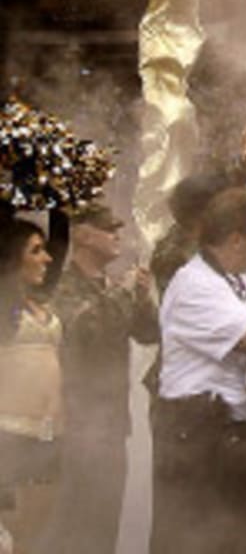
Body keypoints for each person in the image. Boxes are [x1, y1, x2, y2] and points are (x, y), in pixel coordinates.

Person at [151, 187, 246, 553]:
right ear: (236, 240)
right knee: (197, 542)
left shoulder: (243, 281)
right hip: (200, 439)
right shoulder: (195, 284)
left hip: (243, 437)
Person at [39, 202, 159, 554]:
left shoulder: (111, 286)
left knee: (106, 527)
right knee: (74, 528)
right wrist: (123, 292)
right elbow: (88, 331)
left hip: (112, 426)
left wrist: (142, 297)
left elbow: (149, 333)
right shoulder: (62, 288)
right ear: (83, 235)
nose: (117, 237)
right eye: (109, 230)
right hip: (76, 427)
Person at [0, 219, 60, 554]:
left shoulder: (39, 302)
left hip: (49, 436)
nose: (47, 258)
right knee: (11, 537)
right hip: (9, 438)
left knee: (36, 538)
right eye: (36, 250)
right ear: (11, 257)